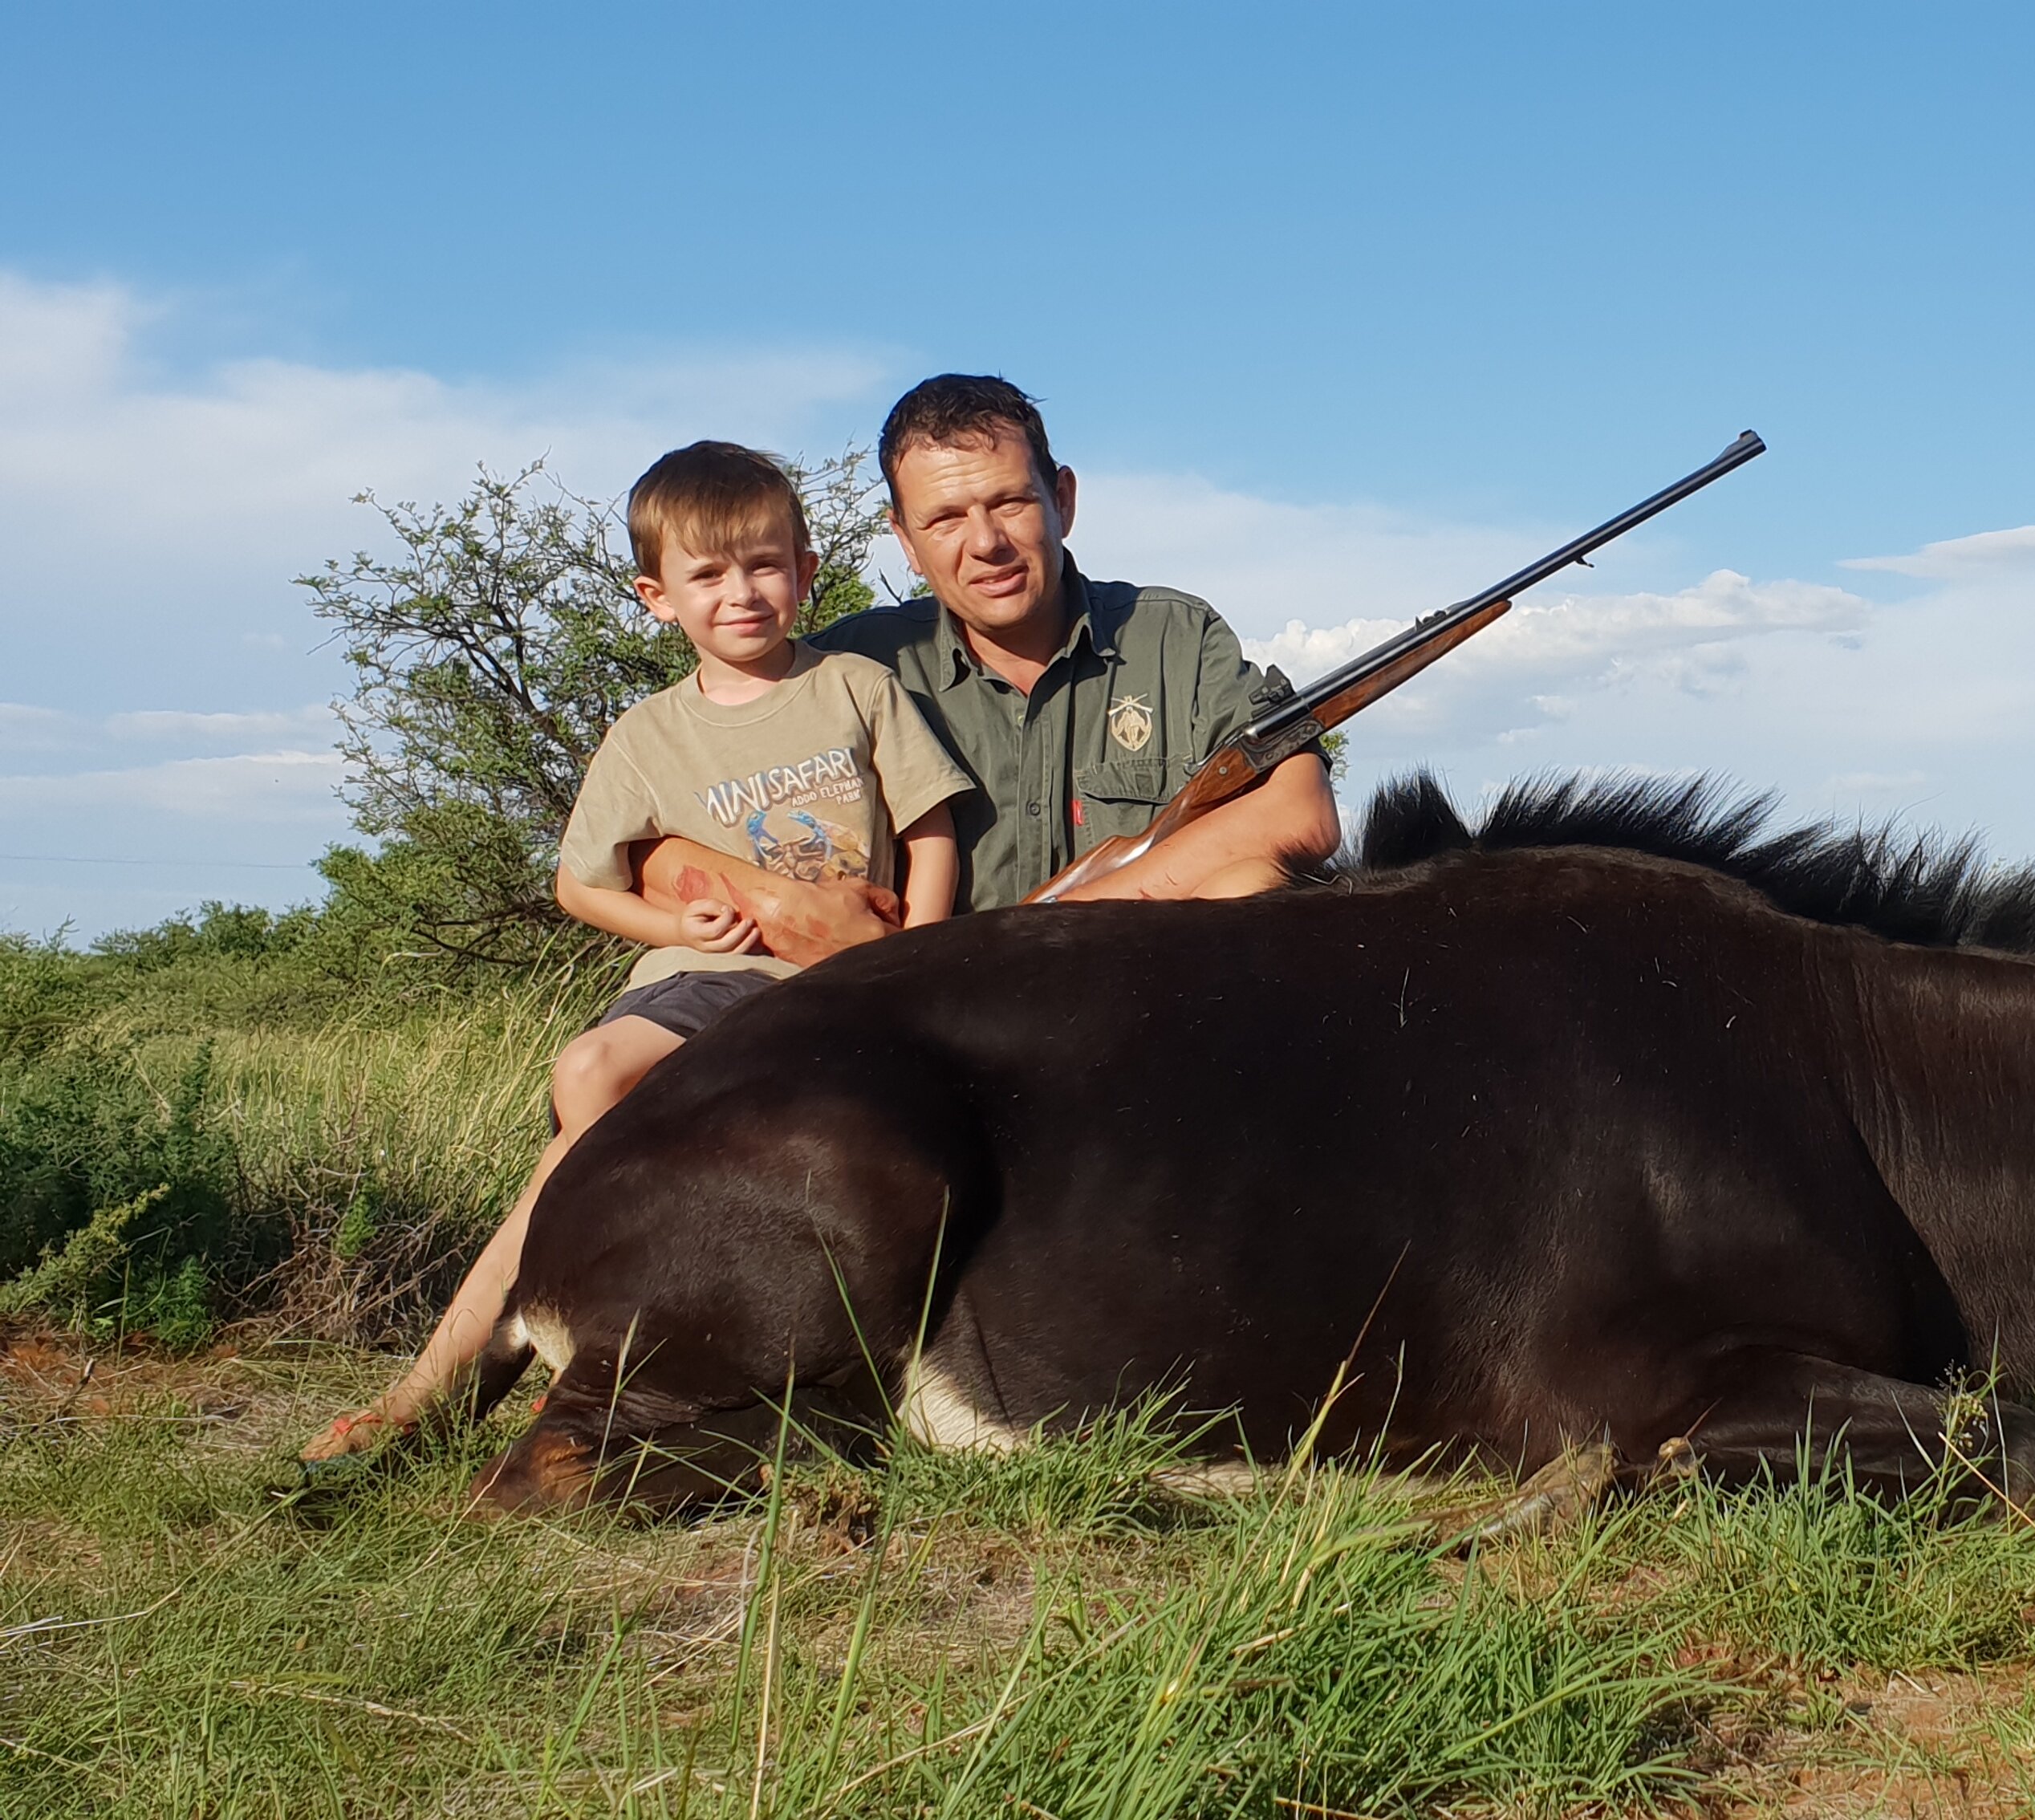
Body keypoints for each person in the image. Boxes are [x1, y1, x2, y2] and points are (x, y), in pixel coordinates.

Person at [299, 441, 973, 1467]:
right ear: (657, 597)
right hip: (700, 980)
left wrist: (913, 961)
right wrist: (676, 928)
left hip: (828, 986)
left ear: (806, 569)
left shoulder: (854, 686)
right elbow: (582, 885)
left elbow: (931, 832)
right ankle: (465, 1373)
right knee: (588, 1072)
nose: (740, 594)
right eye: (708, 575)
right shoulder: (648, 735)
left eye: (763, 566)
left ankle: (542, 1358)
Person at [628, 373, 1343, 947]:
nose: (986, 543)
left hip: (1138, 1000)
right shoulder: (841, 669)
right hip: (937, 1023)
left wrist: (1062, 923)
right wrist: (799, 914)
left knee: (1249, 883)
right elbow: (649, 854)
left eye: (1009, 503)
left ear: (1061, 499)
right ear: (904, 539)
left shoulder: (1174, 636)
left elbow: (1301, 811)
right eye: (943, 520)